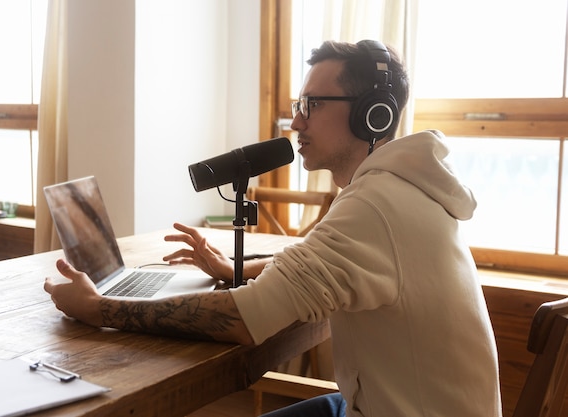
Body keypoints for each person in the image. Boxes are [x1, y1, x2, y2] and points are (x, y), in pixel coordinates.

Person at [44, 40, 502, 417]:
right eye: (298, 105)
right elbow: (321, 263)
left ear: (372, 114)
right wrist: (236, 268)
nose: (297, 121)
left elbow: (241, 319)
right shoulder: (398, 190)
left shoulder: (376, 205)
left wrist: (100, 309)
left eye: (312, 104)